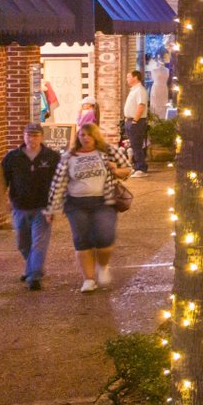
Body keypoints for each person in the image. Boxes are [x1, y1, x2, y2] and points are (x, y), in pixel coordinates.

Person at [47, 122, 131, 293]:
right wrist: (51, 208)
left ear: (95, 136)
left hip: (104, 201)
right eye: (81, 135)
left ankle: (103, 265)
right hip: (76, 204)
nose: (84, 138)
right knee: (81, 240)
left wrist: (116, 171)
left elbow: (128, 170)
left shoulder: (108, 151)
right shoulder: (70, 156)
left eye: (88, 135)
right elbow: (58, 183)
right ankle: (89, 279)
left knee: (105, 238)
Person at [3, 122, 60, 290]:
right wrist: (4, 199)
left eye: (35, 135)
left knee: (39, 243)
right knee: (23, 243)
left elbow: (58, 183)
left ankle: (34, 276)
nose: (31, 138)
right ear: (23, 136)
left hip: (43, 207)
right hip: (19, 207)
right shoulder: (12, 157)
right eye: (28, 135)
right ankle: (31, 267)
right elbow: (3, 180)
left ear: (41, 137)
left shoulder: (51, 157)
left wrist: (53, 207)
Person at [121, 70, 150, 175]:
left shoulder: (140, 90)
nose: (127, 79)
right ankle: (136, 165)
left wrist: (135, 120)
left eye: (129, 77)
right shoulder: (133, 90)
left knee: (137, 145)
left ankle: (141, 168)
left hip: (136, 122)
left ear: (135, 77)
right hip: (129, 120)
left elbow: (141, 106)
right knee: (133, 145)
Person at [148, 52, 172, 119]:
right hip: (156, 89)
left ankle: (163, 121)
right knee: (155, 106)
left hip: (164, 89)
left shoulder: (167, 70)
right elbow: (153, 78)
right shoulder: (154, 70)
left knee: (164, 106)